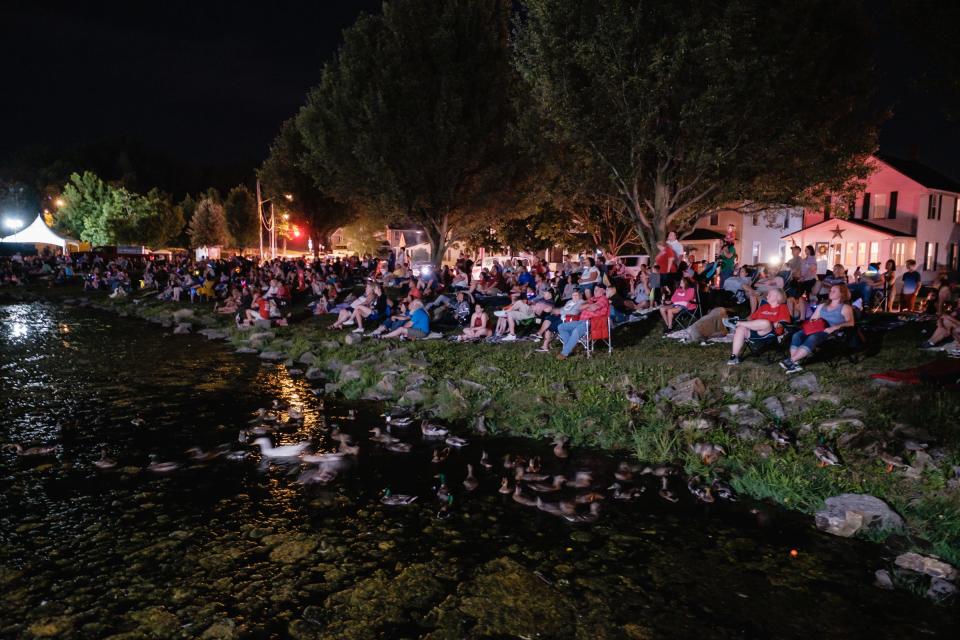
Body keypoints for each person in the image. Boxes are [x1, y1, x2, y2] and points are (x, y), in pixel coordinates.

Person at [780, 284, 855, 374]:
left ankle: (791, 360)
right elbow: (813, 319)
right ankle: (795, 363)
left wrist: (834, 327)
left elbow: (851, 323)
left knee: (813, 337)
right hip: (818, 329)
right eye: (830, 290)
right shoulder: (823, 305)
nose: (830, 292)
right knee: (797, 335)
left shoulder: (845, 307)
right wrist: (812, 323)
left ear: (842, 294)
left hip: (832, 333)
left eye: (834, 291)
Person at [727, 288, 792, 365]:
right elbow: (752, 319)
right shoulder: (763, 307)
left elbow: (784, 321)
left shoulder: (783, 307)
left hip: (771, 334)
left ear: (778, 297)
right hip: (755, 331)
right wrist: (746, 320)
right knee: (740, 329)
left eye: (770, 294)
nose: (767, 295)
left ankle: (737, 323)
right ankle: (734, 356)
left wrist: (774, 324)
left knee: (766, 323)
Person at [556, 287, 610, 359]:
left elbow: (593, 308)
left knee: (576, 331)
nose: (595, 291)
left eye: (597, 290)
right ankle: (569, 348)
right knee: (561, 327)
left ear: (603, 290)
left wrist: (587, 306)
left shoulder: (603, 299)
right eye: (594, 290)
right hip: (581, 321)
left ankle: (565, 353)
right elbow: (580, 307)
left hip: (593, 322)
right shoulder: (592, 299)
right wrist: (588, 306)